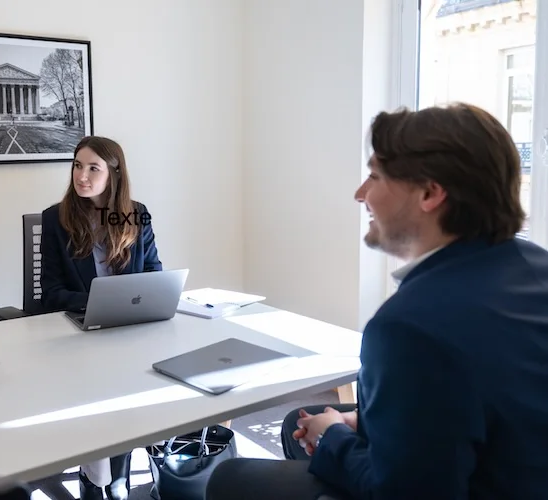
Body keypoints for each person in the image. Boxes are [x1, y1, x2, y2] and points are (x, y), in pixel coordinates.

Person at [205, 102, 548, 500]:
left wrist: (334, 436)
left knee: (232, 478)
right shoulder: (536, 265)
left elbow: (400, 491)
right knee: (297, 424)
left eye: (374, 176)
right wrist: (365, 423)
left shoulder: (410, 327)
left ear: (430, 193)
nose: (360, 194)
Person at [39, 136, 162, 499]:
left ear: (114, 173)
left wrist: (137, 300)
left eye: (93, 168)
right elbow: (50, 293)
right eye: (78, 165)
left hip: (129, 328)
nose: (82, 176)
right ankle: (99, 479)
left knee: (138, 379)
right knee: (108, 382)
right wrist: (100, 300)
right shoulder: (55, 219)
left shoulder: (134, 214)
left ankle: (115, 477)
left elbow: (154, 271)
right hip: (81, 330)